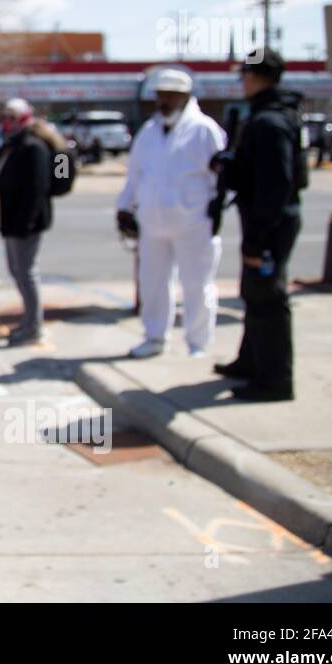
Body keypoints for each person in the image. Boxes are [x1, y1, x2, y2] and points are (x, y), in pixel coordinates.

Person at [210, 49, 304, 401]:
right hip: (268, 221)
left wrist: (257, 242)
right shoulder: (271, 114)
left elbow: (275, 186)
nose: (242, 82)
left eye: (244, 75)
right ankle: (251, 361)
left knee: (268, 298)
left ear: (254, 76)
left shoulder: (269, 122)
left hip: (270, 224)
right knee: (255, 293)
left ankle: (274, 379)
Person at [116, 69, 227, 359]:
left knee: (196, 284)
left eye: (169, 95)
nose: (163, 101)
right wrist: (124, 207)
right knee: (152, 282)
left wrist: (217, 208)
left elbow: (221, 177)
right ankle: (154, 337)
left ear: (185, 96)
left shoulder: (205, 130)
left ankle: (197, 343)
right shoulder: (149, 132)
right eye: (160, 95)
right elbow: (135, 174)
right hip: (153, 224)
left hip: (193, 222)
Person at [0, 98, 62, 346]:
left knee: (26, 272)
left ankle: (34, 325)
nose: (7, 122)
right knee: (17, 270)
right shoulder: (13, 146)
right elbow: (1, 175)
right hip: (11, 218)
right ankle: (28, 320)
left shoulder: (33, 147)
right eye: (5, 116)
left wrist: (27, 221)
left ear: (24, 119)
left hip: (26, 222)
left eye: (12, 117)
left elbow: (37, 188)